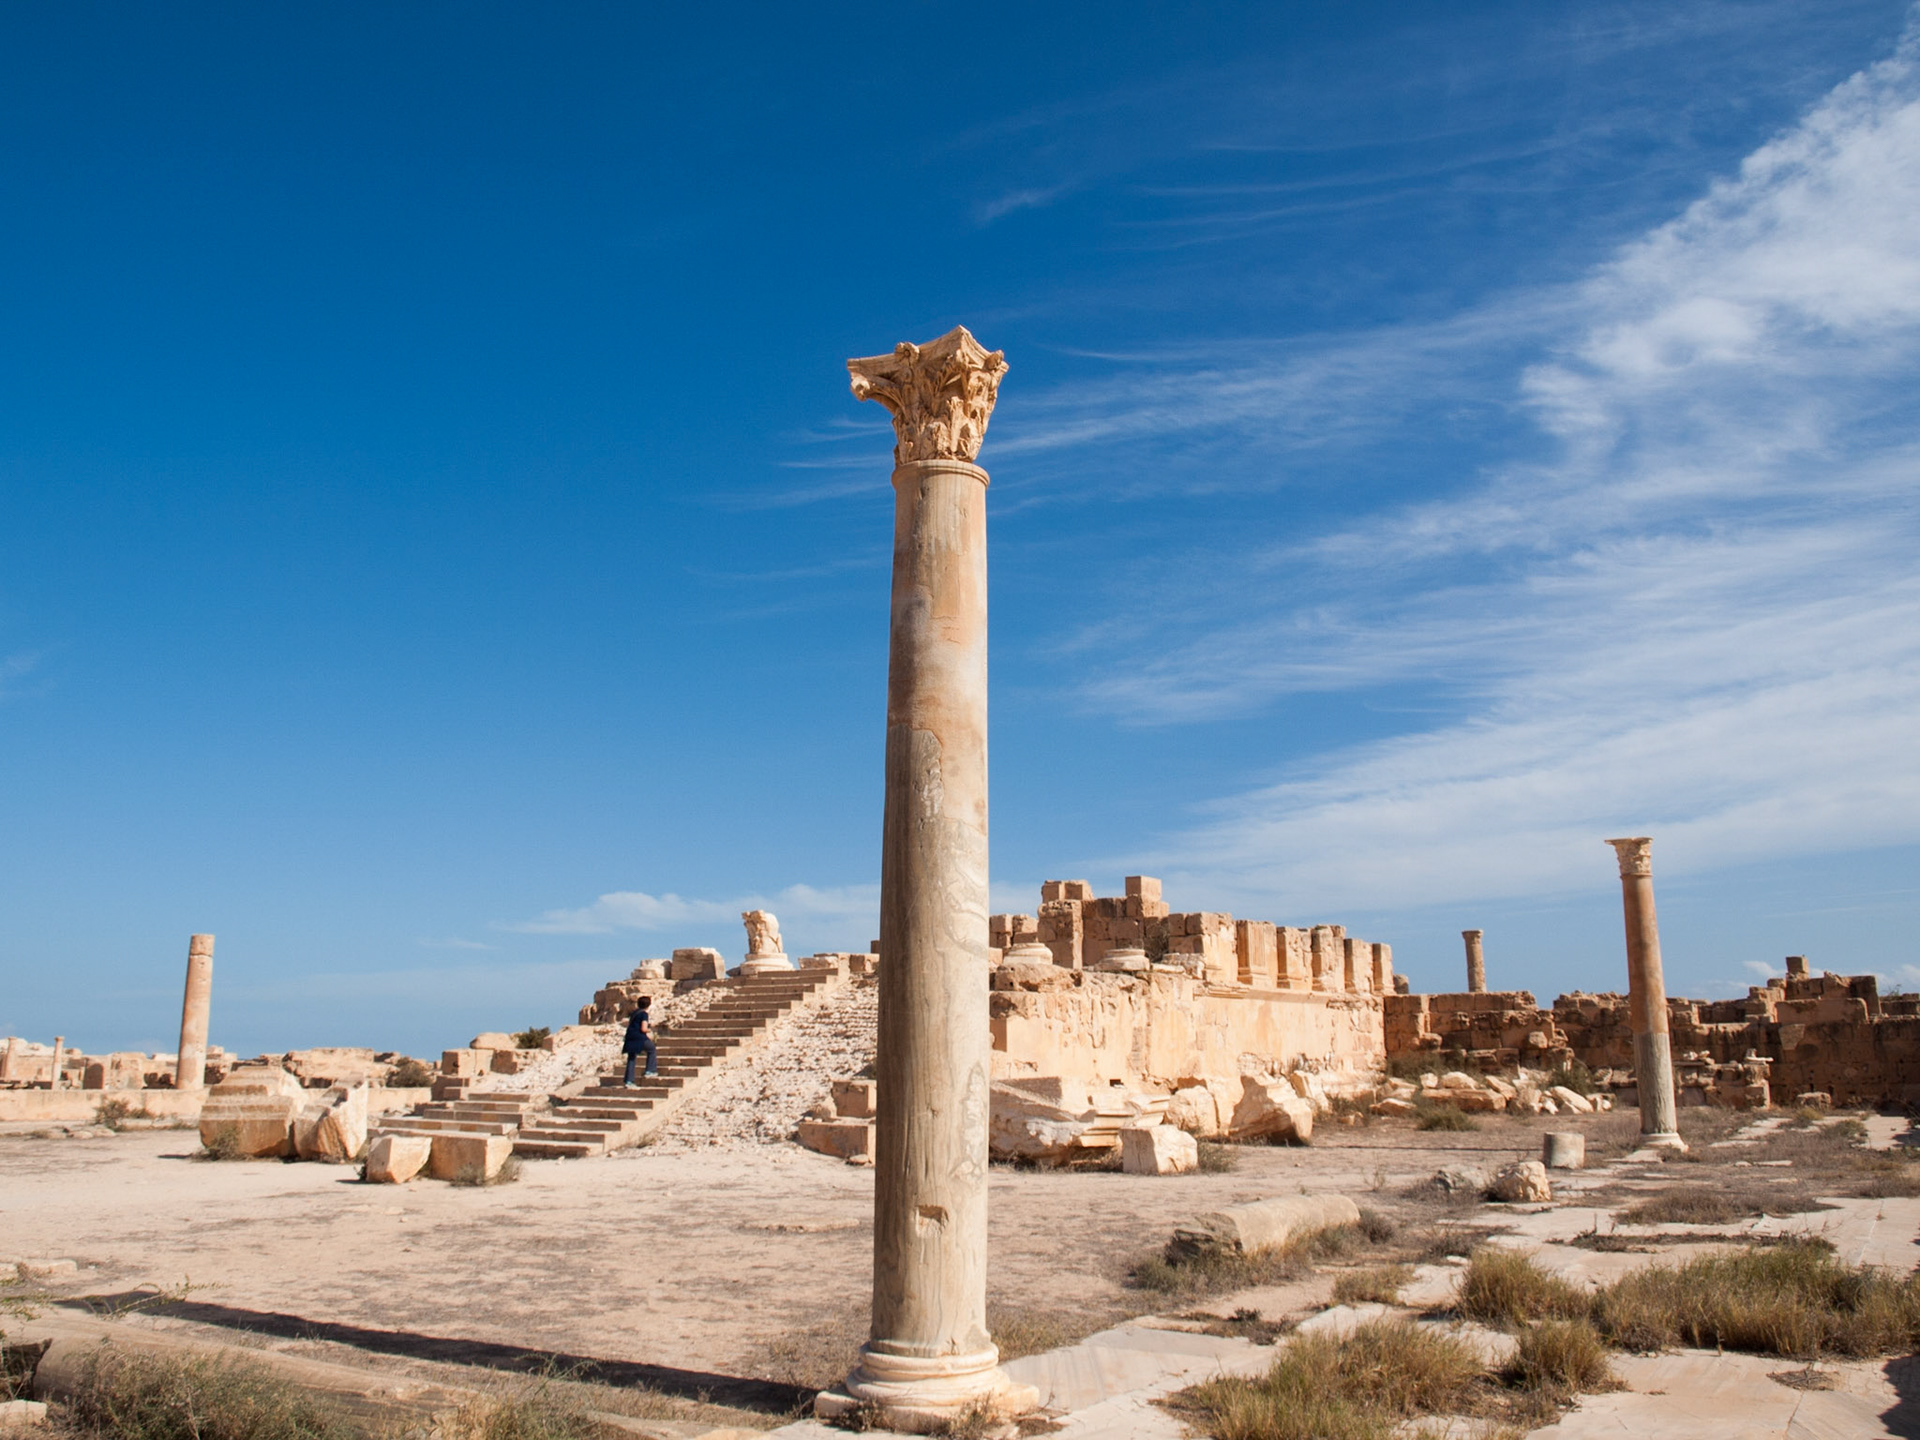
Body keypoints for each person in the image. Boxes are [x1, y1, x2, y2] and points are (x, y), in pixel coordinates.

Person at [621, 997, 658, 1086]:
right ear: (648, 1005)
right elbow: (643, 1029)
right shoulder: (644, 1014)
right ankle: (650, 1070)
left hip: (630, 1037)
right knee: (651, 1049)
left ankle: (628, 1081)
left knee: (631, 1058)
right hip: (639, 1037)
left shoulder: (634, 1013)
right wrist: (650, 1030)